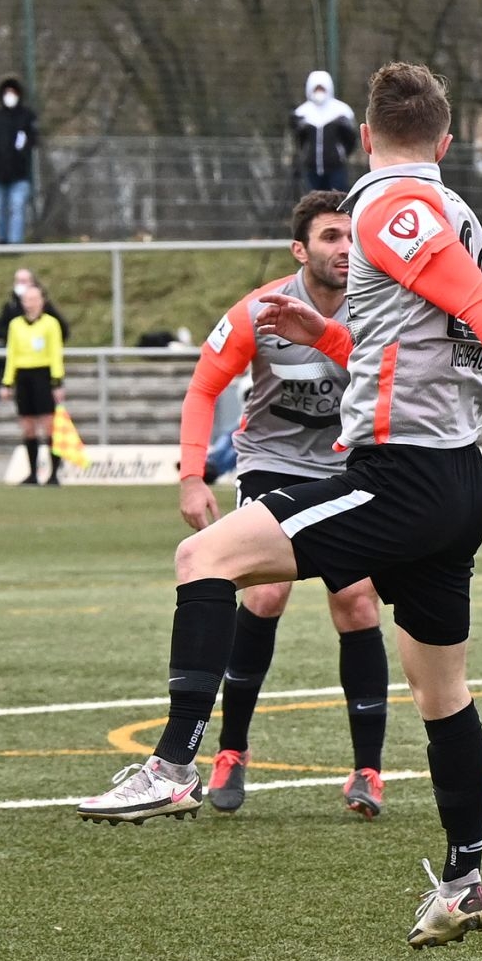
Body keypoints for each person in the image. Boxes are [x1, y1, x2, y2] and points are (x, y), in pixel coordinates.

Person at [74, 61, 482, 950]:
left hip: (401, 475)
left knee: (203, 558)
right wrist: (331, 335)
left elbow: (481, 308)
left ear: (365, 136)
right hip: (456, 477)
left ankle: (174, 765)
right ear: (445, 141)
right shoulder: (453, 210)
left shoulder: (388, 205)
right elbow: (421, 334)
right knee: (441, 692)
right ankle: (465, 880)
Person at [176, 190, 390, 818]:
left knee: (356, 600)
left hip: (349, 466)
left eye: (352, 236)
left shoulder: (379, 308)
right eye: (330, 237)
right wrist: (192, 477)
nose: (345, 249)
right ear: (300, 249)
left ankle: (368, 771)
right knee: (265, 593)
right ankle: (232, 751)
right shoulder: (259, 310)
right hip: (272, 463)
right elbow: (203, 388)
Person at [0, 281, 64, 484]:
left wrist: (57, 382)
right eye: (27, 299)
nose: (31, 303)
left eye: (35, 299)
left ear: (42, 301)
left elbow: (55, 354)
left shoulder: (50, 324)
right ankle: (33, 474)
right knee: (28, 426)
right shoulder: (15, 325)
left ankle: (54, 474)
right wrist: (7, 382)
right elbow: (12, 354)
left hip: (42, 375)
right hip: (23, 376)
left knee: (49, 425)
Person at [0, 77, 40, 245]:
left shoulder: (27, 116)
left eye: (13, 92)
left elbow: (32, 139)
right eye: (7, 92)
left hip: (20, 173)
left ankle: (15, 243)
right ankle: (1, 241)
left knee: (17, 208)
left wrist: (22, 150)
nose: (10, 96)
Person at [293, 70, 358, 192]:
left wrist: (341, 155)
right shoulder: (302, 113)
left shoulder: (342, 112)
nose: (319, 92)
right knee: (313, 200)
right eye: (316, 89)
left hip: (336, 168)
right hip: (311, 168)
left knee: (337, 199)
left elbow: (351, 139)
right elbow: (299, 140)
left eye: (322, 88)